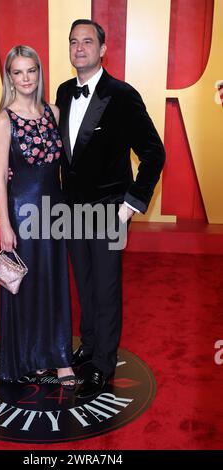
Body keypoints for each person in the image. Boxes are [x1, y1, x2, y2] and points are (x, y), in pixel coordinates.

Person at [55, 19, 166, 398]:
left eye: (87, 42)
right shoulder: (64, 91)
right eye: (74, 42)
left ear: (103, 49)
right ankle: (88, 345)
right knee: (84, 285)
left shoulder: (122, 95)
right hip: (70, 212)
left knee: (105, 289)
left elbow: (154, 152)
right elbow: (63, 151)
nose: (79, 48)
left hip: (108, 211)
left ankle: (103, 362)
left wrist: (130, 204)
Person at [0, 45, 75, 389]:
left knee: (54, 282)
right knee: (26, 286)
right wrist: (4, 225)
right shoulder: (3, 120)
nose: (26, 79)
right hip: (21, 214)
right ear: (9, 78)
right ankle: (31, 357)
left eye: (31, 71)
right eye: (18, 72)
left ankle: (58, 358)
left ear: (39, 74)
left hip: (53, 213)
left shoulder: (53, 112)